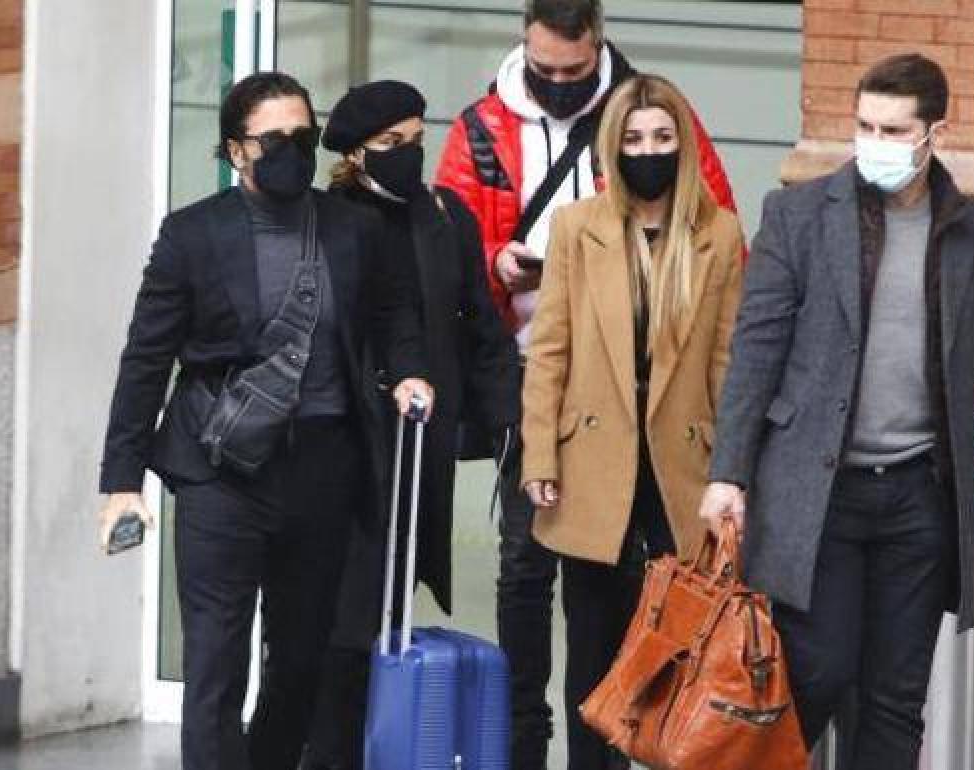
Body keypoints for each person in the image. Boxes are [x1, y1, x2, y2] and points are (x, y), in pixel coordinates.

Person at [698, 53, 974, 770]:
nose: (875, 142)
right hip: (819, 494)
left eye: (894, 130)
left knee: (896, 700)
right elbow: (756, 350)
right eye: (865, 126)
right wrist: (728, 473)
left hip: (919, 496)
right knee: (817, 671)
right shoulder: (799, 216)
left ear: (935, 133)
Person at [95, 72, 433, 770]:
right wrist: (122, 482)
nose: (292, 151)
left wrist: (407, 369)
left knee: (302, 660)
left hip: (323, 469)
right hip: (220, 473)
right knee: (216, 665)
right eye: (274, 140)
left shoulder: (353, 228)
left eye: (304, 137)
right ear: (236, 150)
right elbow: (146, 359)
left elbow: (394, 309)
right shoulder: (192, 235)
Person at [434, 3, 736, 765]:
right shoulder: (483, 130)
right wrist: (494, 263)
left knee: (654, 600)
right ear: (525, 45)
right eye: (546, 69)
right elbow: (449, 246)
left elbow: (718, 256)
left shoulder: (648, 111)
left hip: (657, 408)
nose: (561, 82)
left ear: (599, 44)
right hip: (530, 373)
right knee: (528, 571)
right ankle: (525, 739)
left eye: (575, 69)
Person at [522, 73, 744, 770]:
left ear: (684, 145)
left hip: (683, 468)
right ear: (613, 149)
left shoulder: (718, 233)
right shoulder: (576, 227)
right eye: (634, 139)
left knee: (675, 658)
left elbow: (729, 362)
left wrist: (734, 472)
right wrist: (539, 456)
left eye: (662, 137)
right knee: (591, 650)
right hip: (592, 464)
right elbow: (549, 349)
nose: (648, 151)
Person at [301, 79, 521, 770]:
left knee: (393, 617)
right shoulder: (328, 220)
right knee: (341, 622)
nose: (408, 155)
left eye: (418, 140)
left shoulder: (445, 216)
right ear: (355, 153)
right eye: (390, 143)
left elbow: (481, 330)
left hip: (419, 451)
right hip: (346, 454)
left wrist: (506, 425)